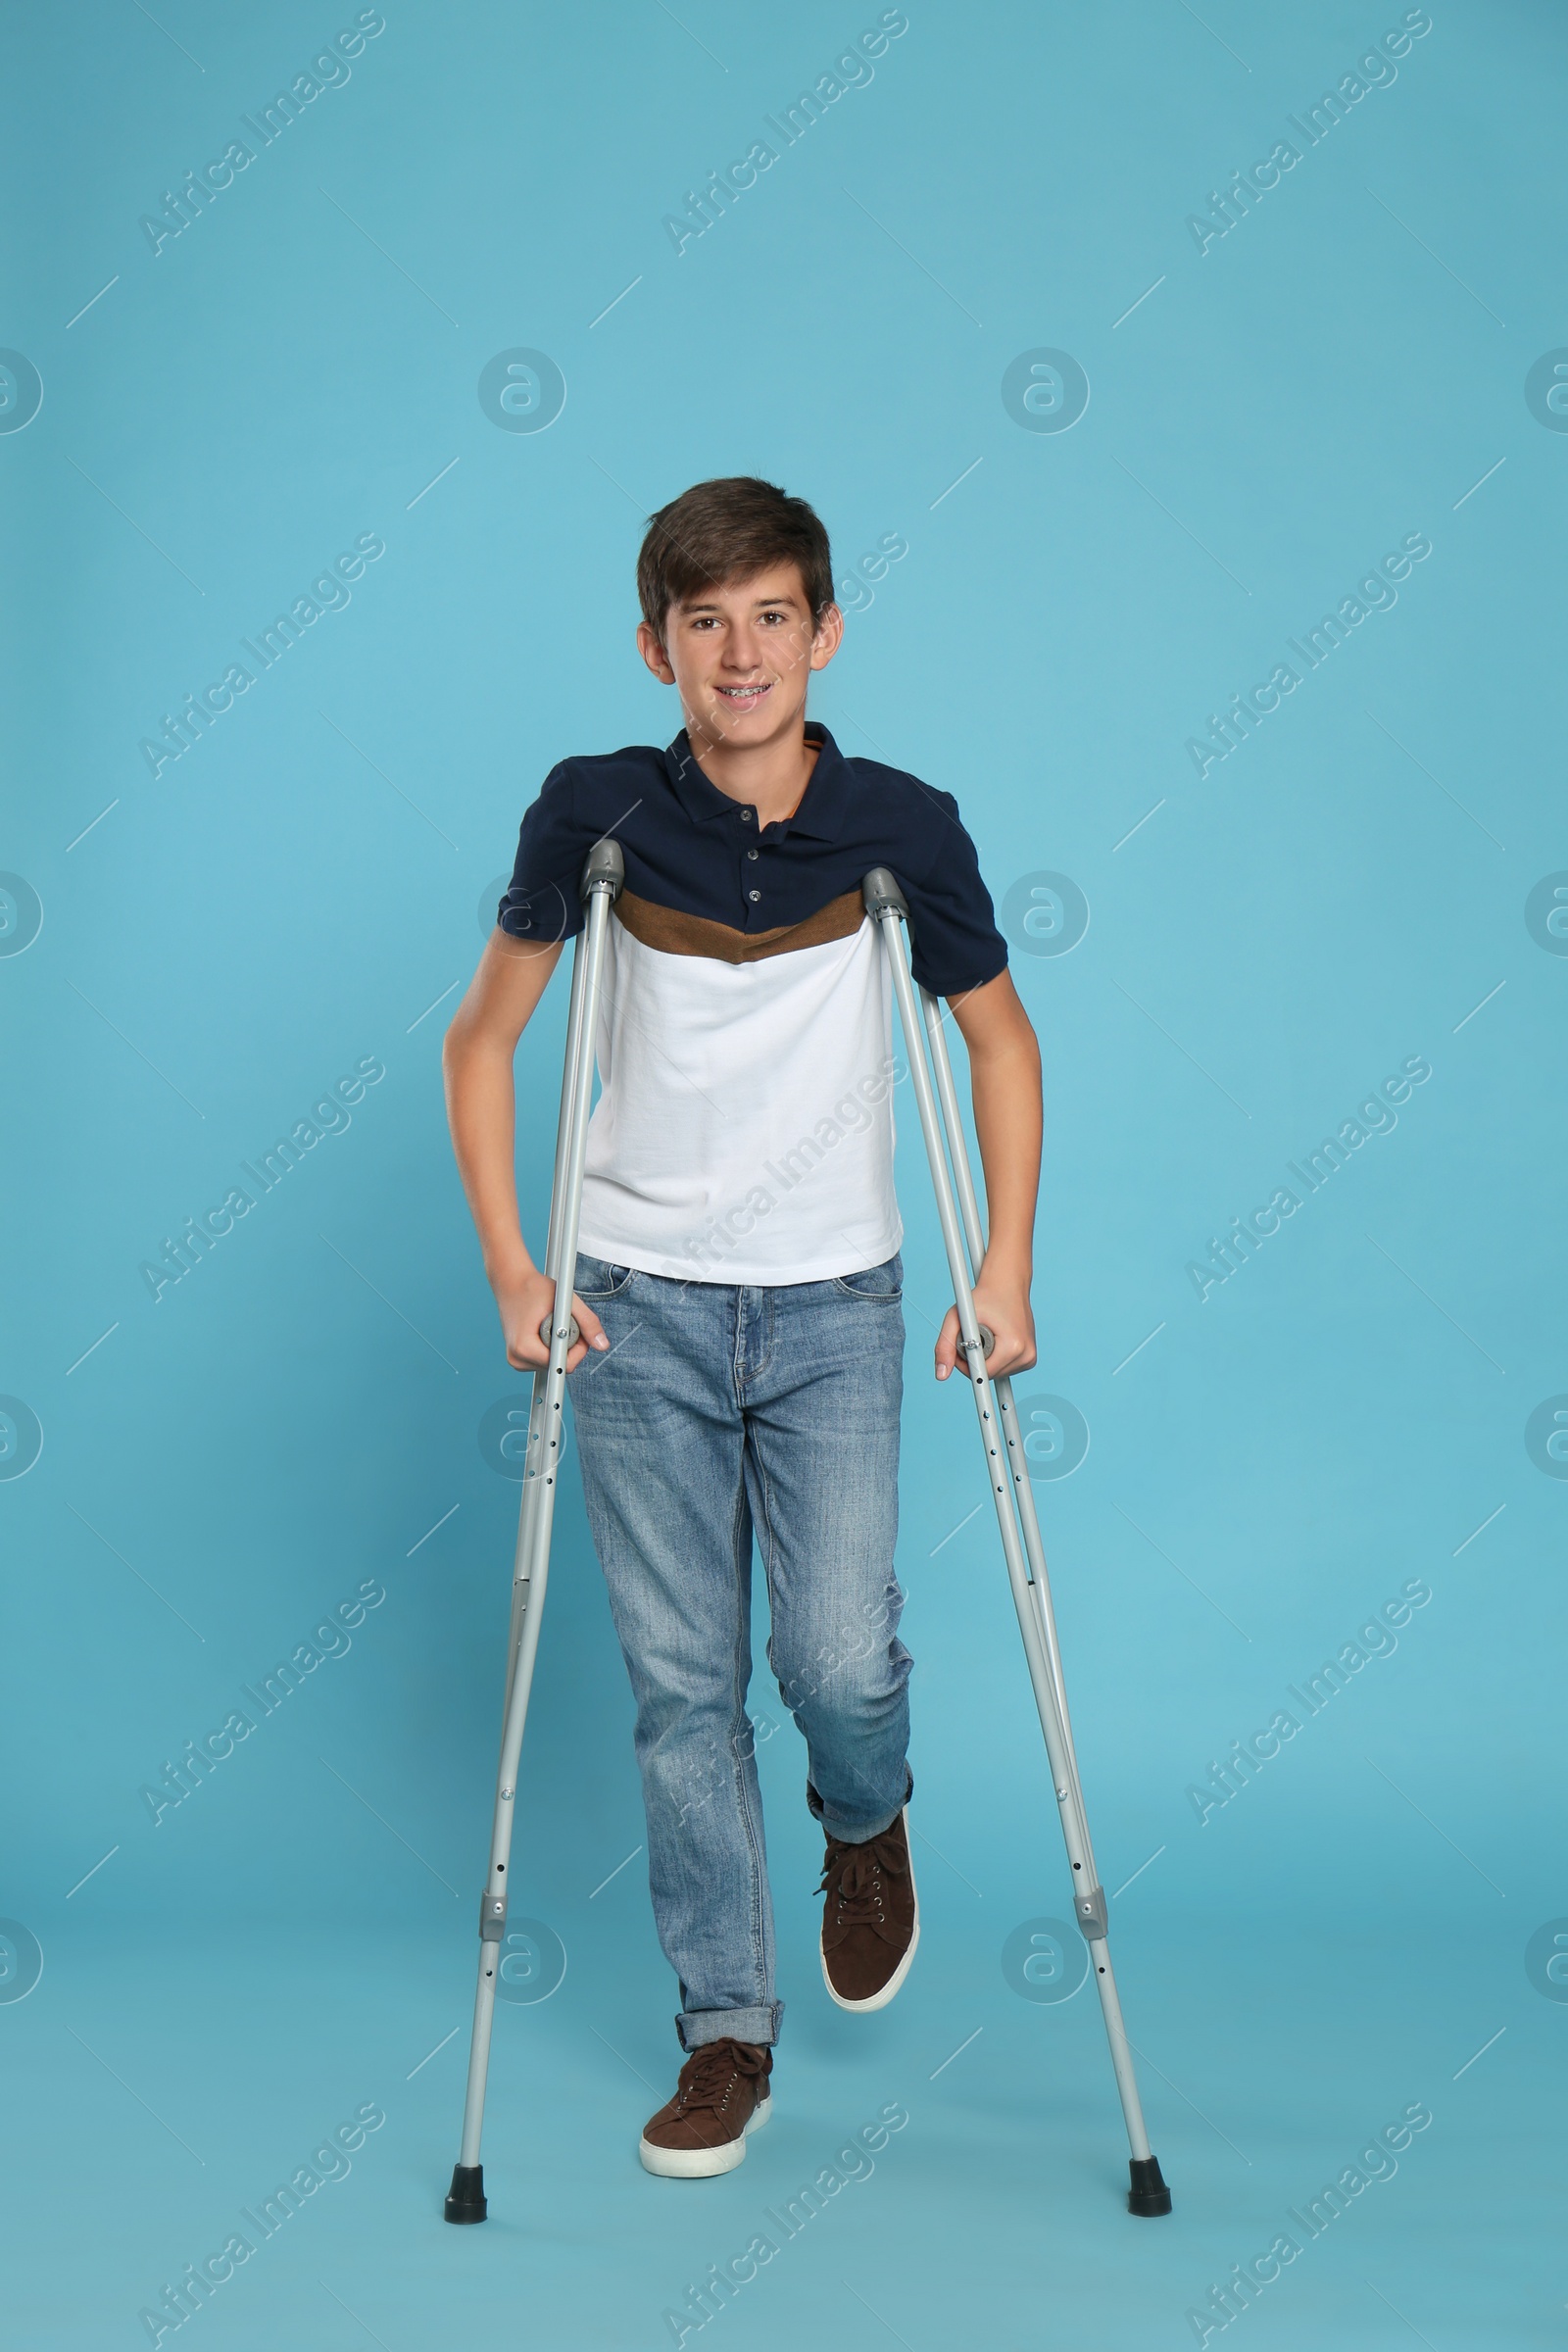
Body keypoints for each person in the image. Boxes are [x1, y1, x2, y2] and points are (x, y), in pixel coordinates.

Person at [442, 476, 1043, 2178]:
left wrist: (1002, 1269)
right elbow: (482, 1043)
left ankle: (867, 1816)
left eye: (772, 615)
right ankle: (726, 2034)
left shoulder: (903, 825)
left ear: (824, 633)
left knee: (836, 1664)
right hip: (634, 1309)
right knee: (681, 1689)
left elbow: (1001, 1046)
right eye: (704, 622)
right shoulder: (595, 815)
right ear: (656, 650)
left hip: (838, 1305)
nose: (740, 651)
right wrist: (514, 1265)